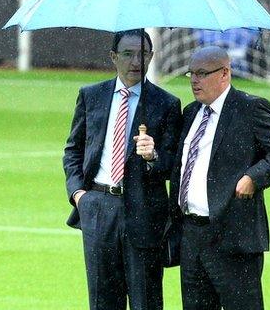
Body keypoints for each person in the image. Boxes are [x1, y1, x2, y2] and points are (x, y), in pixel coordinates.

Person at [169, 46, 270, 310]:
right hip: (192, 236)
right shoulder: (191, 113)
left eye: (202, 74)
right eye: (191, 74)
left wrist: (254, 176)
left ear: (225, 73)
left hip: (233, 236)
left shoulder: (250, 108)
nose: (195, 81)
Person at [63, 30, 182, 310]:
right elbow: (73, 150)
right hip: (98, 207)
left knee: (146, 301)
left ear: (151, 57)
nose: (135, 61)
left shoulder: (166, 103)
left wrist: (153, 154)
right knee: (103, 301)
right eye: (128, 54)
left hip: (144, 212)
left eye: (142, 54)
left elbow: (174, 165)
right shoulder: (91, 95)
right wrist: (79, 194)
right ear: (113, 57)